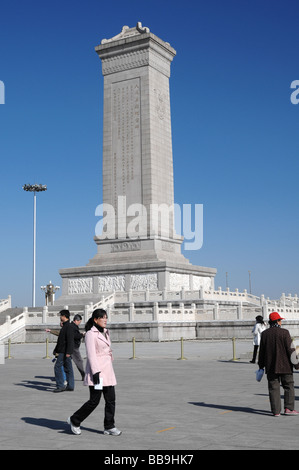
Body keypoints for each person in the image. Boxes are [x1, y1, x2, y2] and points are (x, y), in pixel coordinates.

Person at [67, 308, 121, 436]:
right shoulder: (91, 334)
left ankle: (109, 426)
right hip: (98, 373)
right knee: (94, 401)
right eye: (103, 317)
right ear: (95, 319)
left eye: (106, 317)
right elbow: (91, 355)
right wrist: (96, 372)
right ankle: (75, 419)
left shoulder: (106, 332)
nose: (105, 320)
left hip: (108, 371)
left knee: (111, 400)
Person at [258, 311, 299, 416]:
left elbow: (261, 351)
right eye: (280, 320)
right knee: (288, 386)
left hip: (271, 366)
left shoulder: (265, 334)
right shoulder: (284, 332)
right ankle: (289, 409)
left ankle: (276, 411)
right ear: (277, 321)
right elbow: (291, 350)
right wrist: (296, 364)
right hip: (285, 366)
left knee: (273, 388)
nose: (281, 322)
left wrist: (261, 366)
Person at [53, 309, 75, 393]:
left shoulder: (68, 327)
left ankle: (60, 385)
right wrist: (56, 350)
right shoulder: (65, 326)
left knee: (57, 367)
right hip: (63, 351)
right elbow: (60, 340)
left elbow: (70, 340)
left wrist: (69, 352)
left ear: (64, 316)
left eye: (61, 315)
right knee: (68, 368)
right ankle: (70, 386)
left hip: (64, 352)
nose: (60, 317)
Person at [70, 314, 85, 380]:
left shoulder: (72, 326)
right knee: (79, 361)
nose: (79, 323)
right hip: (74, 347)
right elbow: (75, 336)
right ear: (76, 320)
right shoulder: (73, 327)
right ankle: (83, 374)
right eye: (79, 322)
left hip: (72, 346)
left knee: (66, 362)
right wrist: (82, 335)